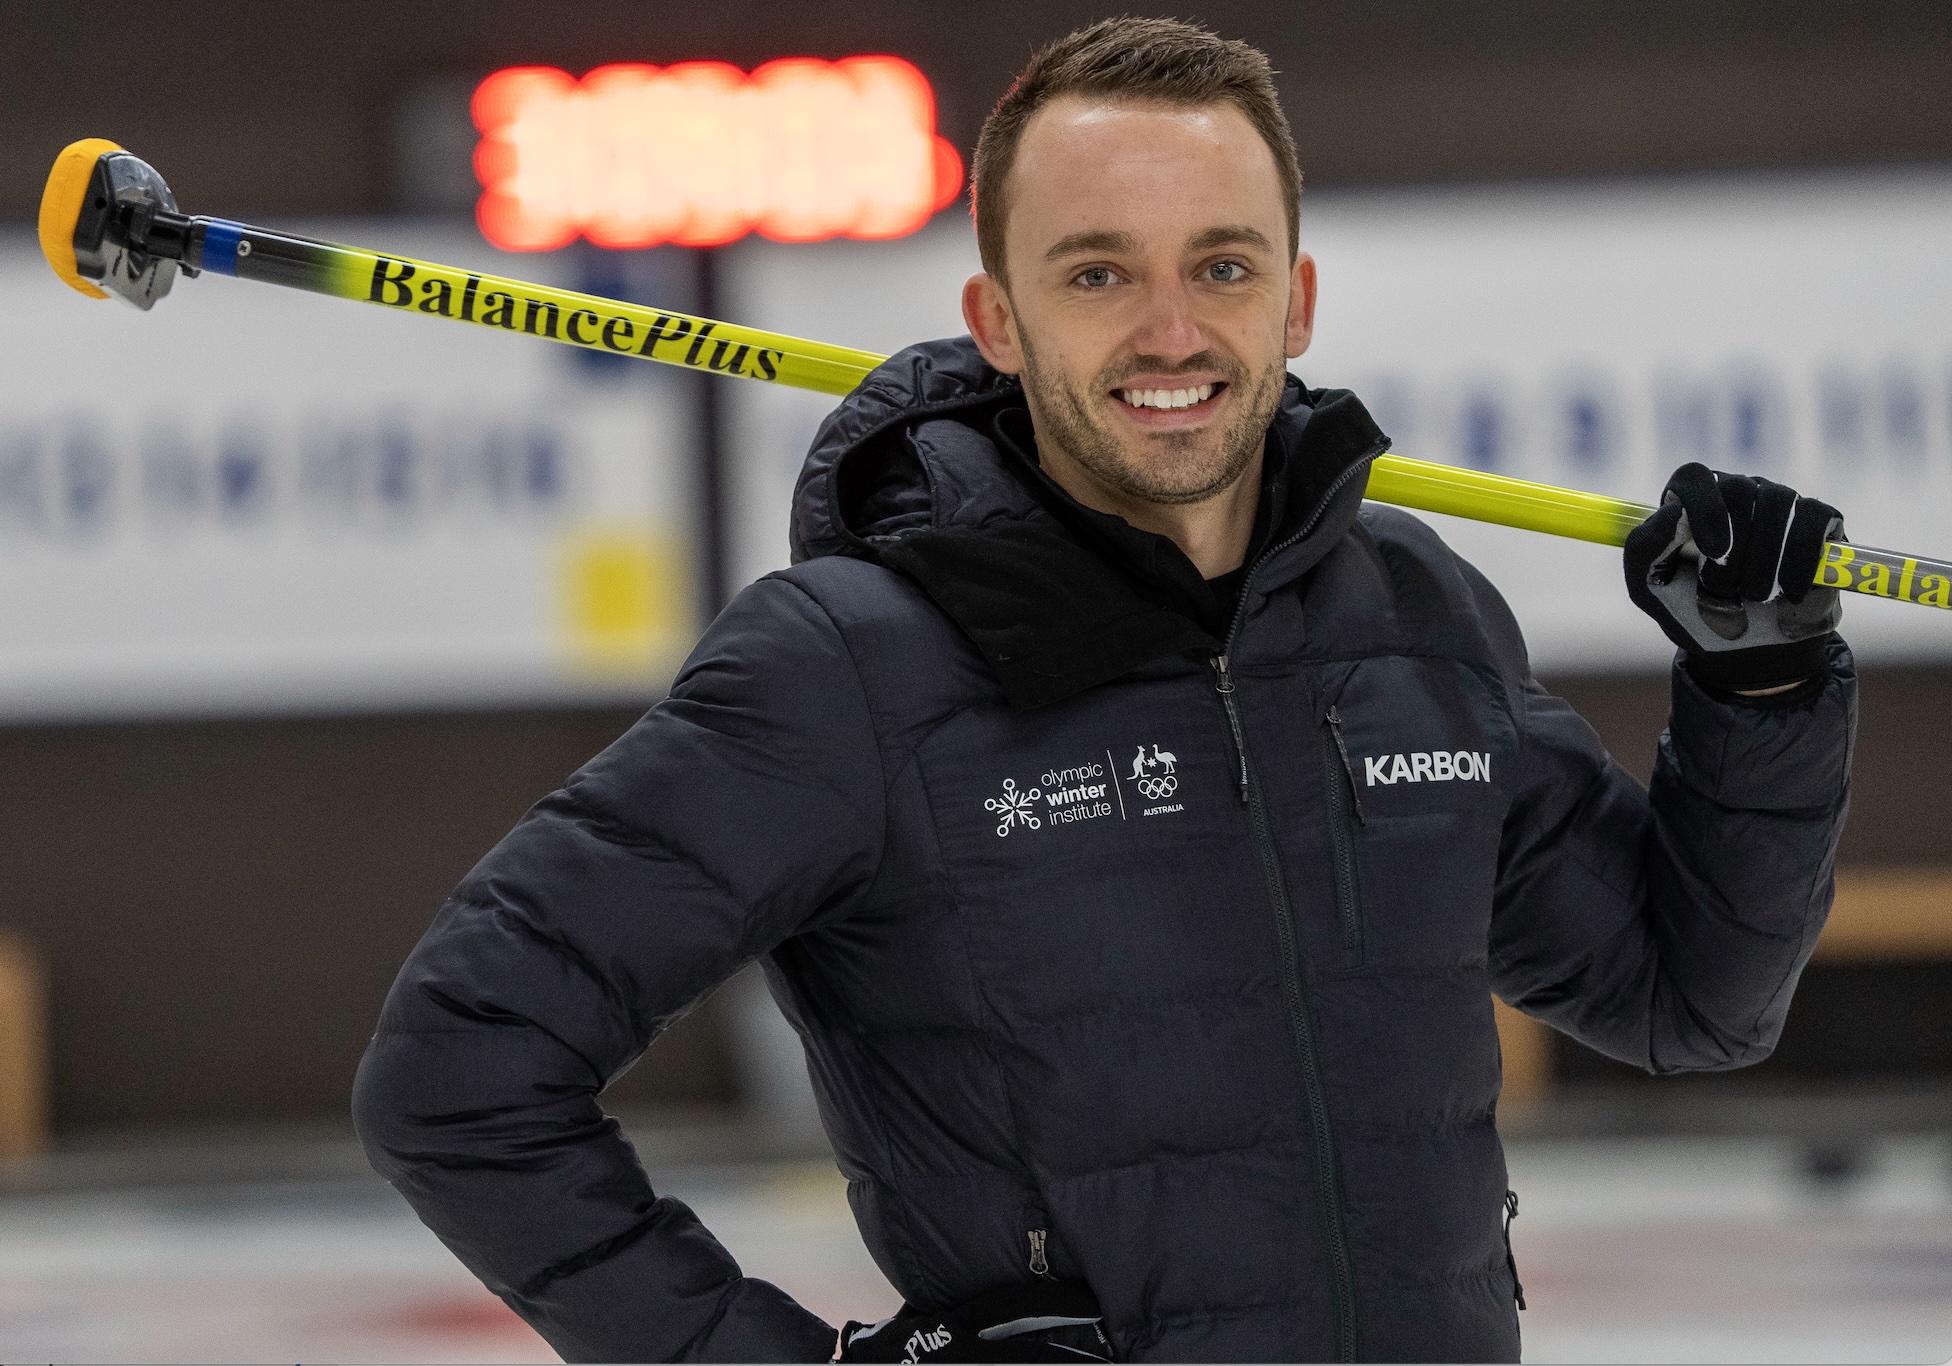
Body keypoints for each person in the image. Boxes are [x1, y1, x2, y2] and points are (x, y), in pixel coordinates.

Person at [352, 18, 1856, 1363]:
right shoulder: (848, 665)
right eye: (1096, 272)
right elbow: (460, 1071)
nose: (1171, 332)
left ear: (1298, 296)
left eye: (1221, 263)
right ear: (998, 319)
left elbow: (1685, 997)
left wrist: (1763, 680)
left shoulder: (1412, 613)